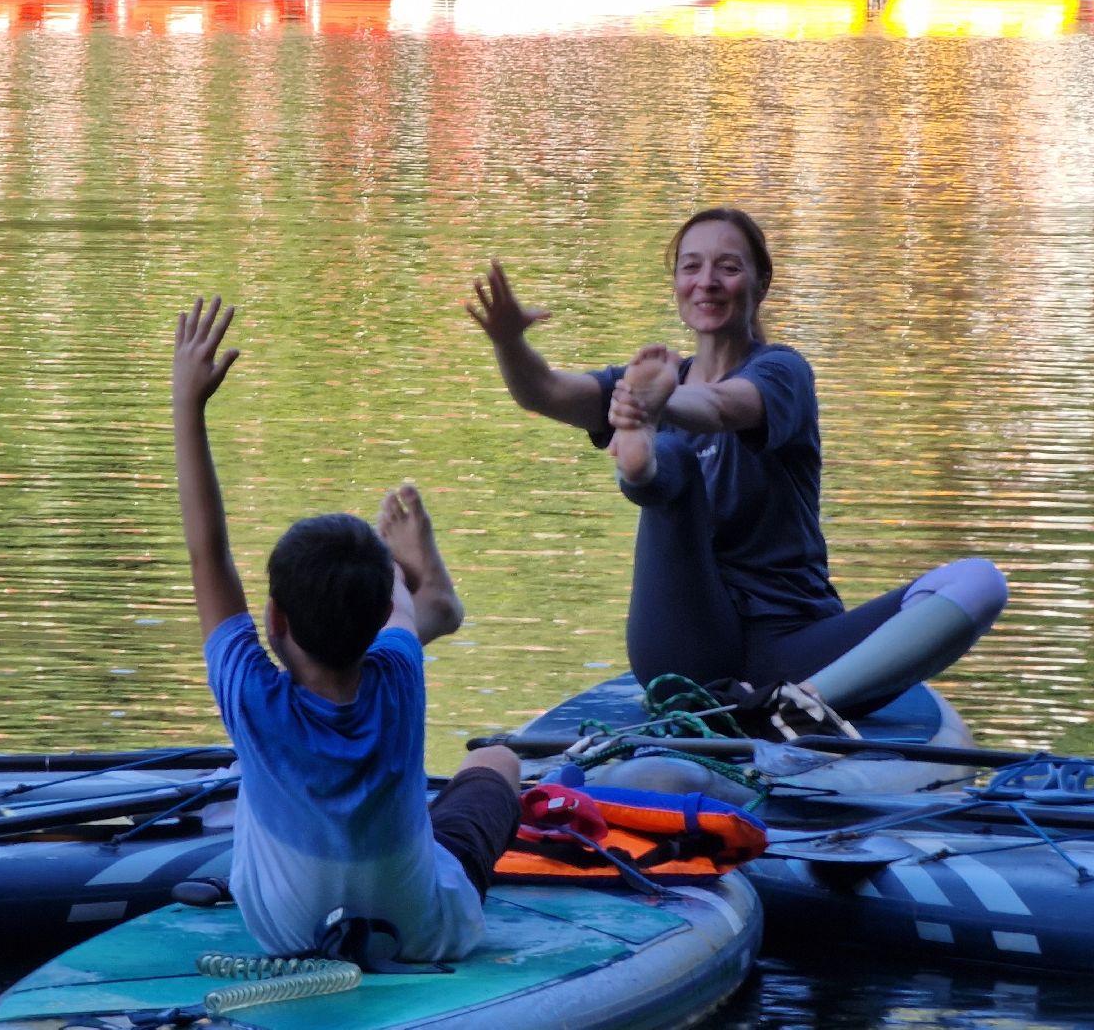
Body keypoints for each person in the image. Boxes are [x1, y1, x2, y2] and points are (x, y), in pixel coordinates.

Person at [466, 208, 1008, 717]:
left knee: (979, 582)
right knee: (669, 454)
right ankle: (639, 469)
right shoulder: (647, 382)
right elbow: (543, 392)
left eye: (728, 268)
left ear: (760, 285)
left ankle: (801, 708)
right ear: (676, 284)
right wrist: (509, 342)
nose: (707, 281)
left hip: (797, 648)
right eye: (691, 266)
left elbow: (723, 406)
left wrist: (656, 405)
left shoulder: (781, 372)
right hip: (686, 648)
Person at [172, 295, 521, 963]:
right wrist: (389, 574)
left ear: (273, 621)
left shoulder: (251, 698)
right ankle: (428, 593)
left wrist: (188, 404)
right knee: (497, 761)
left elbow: (205, 550)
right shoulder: (398, 673)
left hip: (286, 935)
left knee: (414, 628)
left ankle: (431, 599)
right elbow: (378, 624)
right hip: (423, 932)